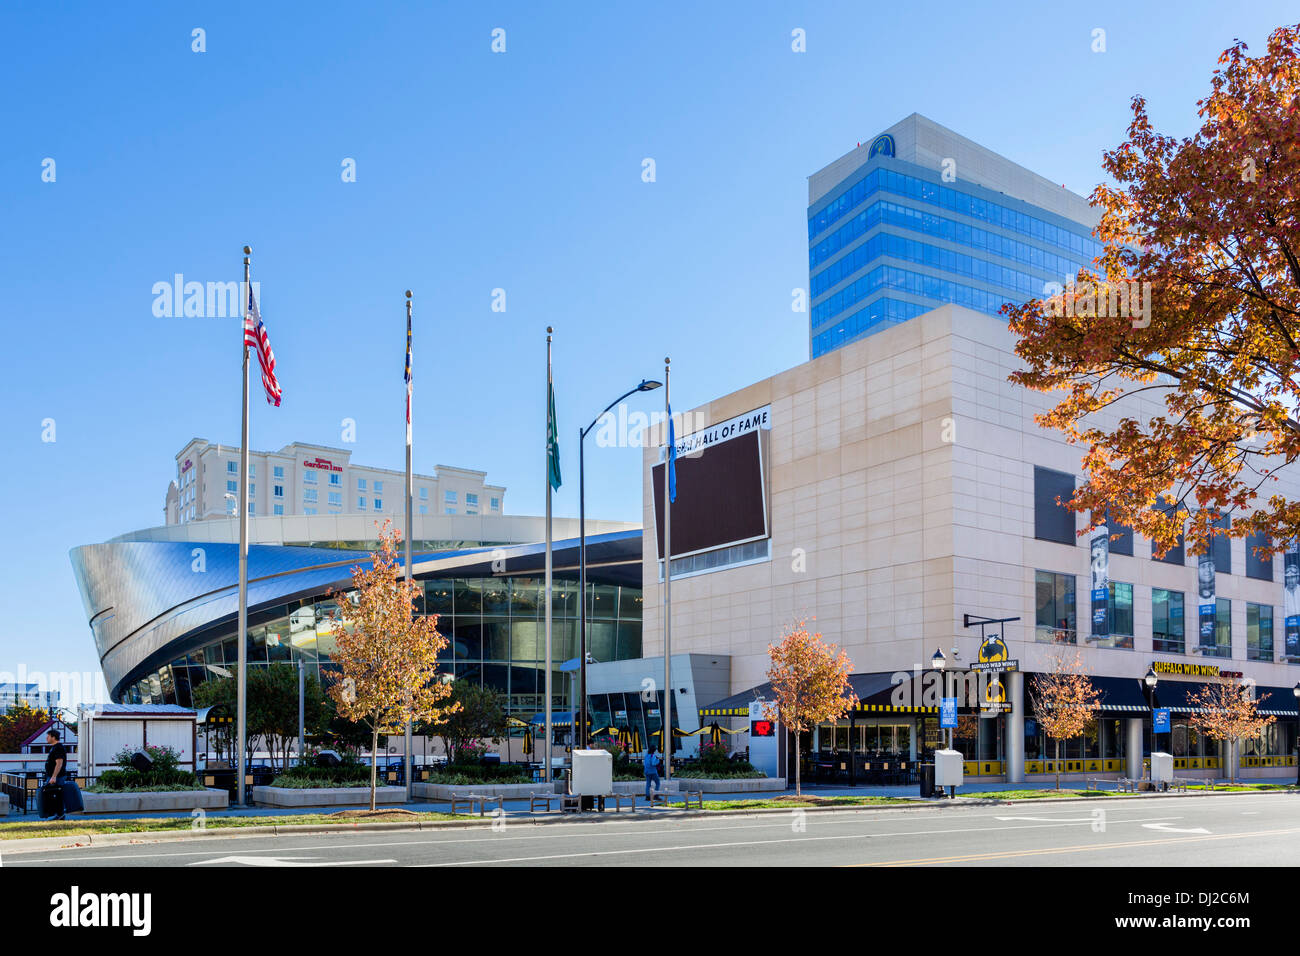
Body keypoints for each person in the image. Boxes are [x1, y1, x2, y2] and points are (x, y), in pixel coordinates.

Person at [43, 729, 69, 820]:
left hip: (57, 777)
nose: (46, 738)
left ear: (53, 737)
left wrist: (54, 777)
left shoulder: (59, 747)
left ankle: (60, 815)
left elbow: (59, 763)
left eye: (48, 736)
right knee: (52, 795)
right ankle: (57, 814)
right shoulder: (54, 747)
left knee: (57, 796)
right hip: (52, 776)